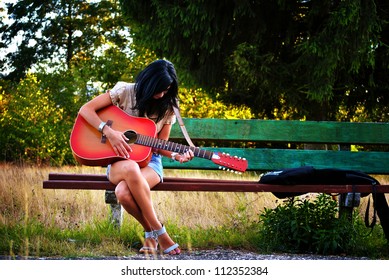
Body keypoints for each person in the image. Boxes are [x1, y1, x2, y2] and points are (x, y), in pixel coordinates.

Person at [78, 59, 194, 255]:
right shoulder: (125, 92)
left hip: (151, 163)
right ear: (148, 83)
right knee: (130, 167)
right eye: (158, 89)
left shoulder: (168, 106)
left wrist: (176, 154)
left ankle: (150, 235)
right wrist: (109, 132)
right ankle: (160, 232)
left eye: (166, 90)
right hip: (119, 162)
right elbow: (85, 110)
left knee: (123, 192)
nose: (162, 94)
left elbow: (161, 145)